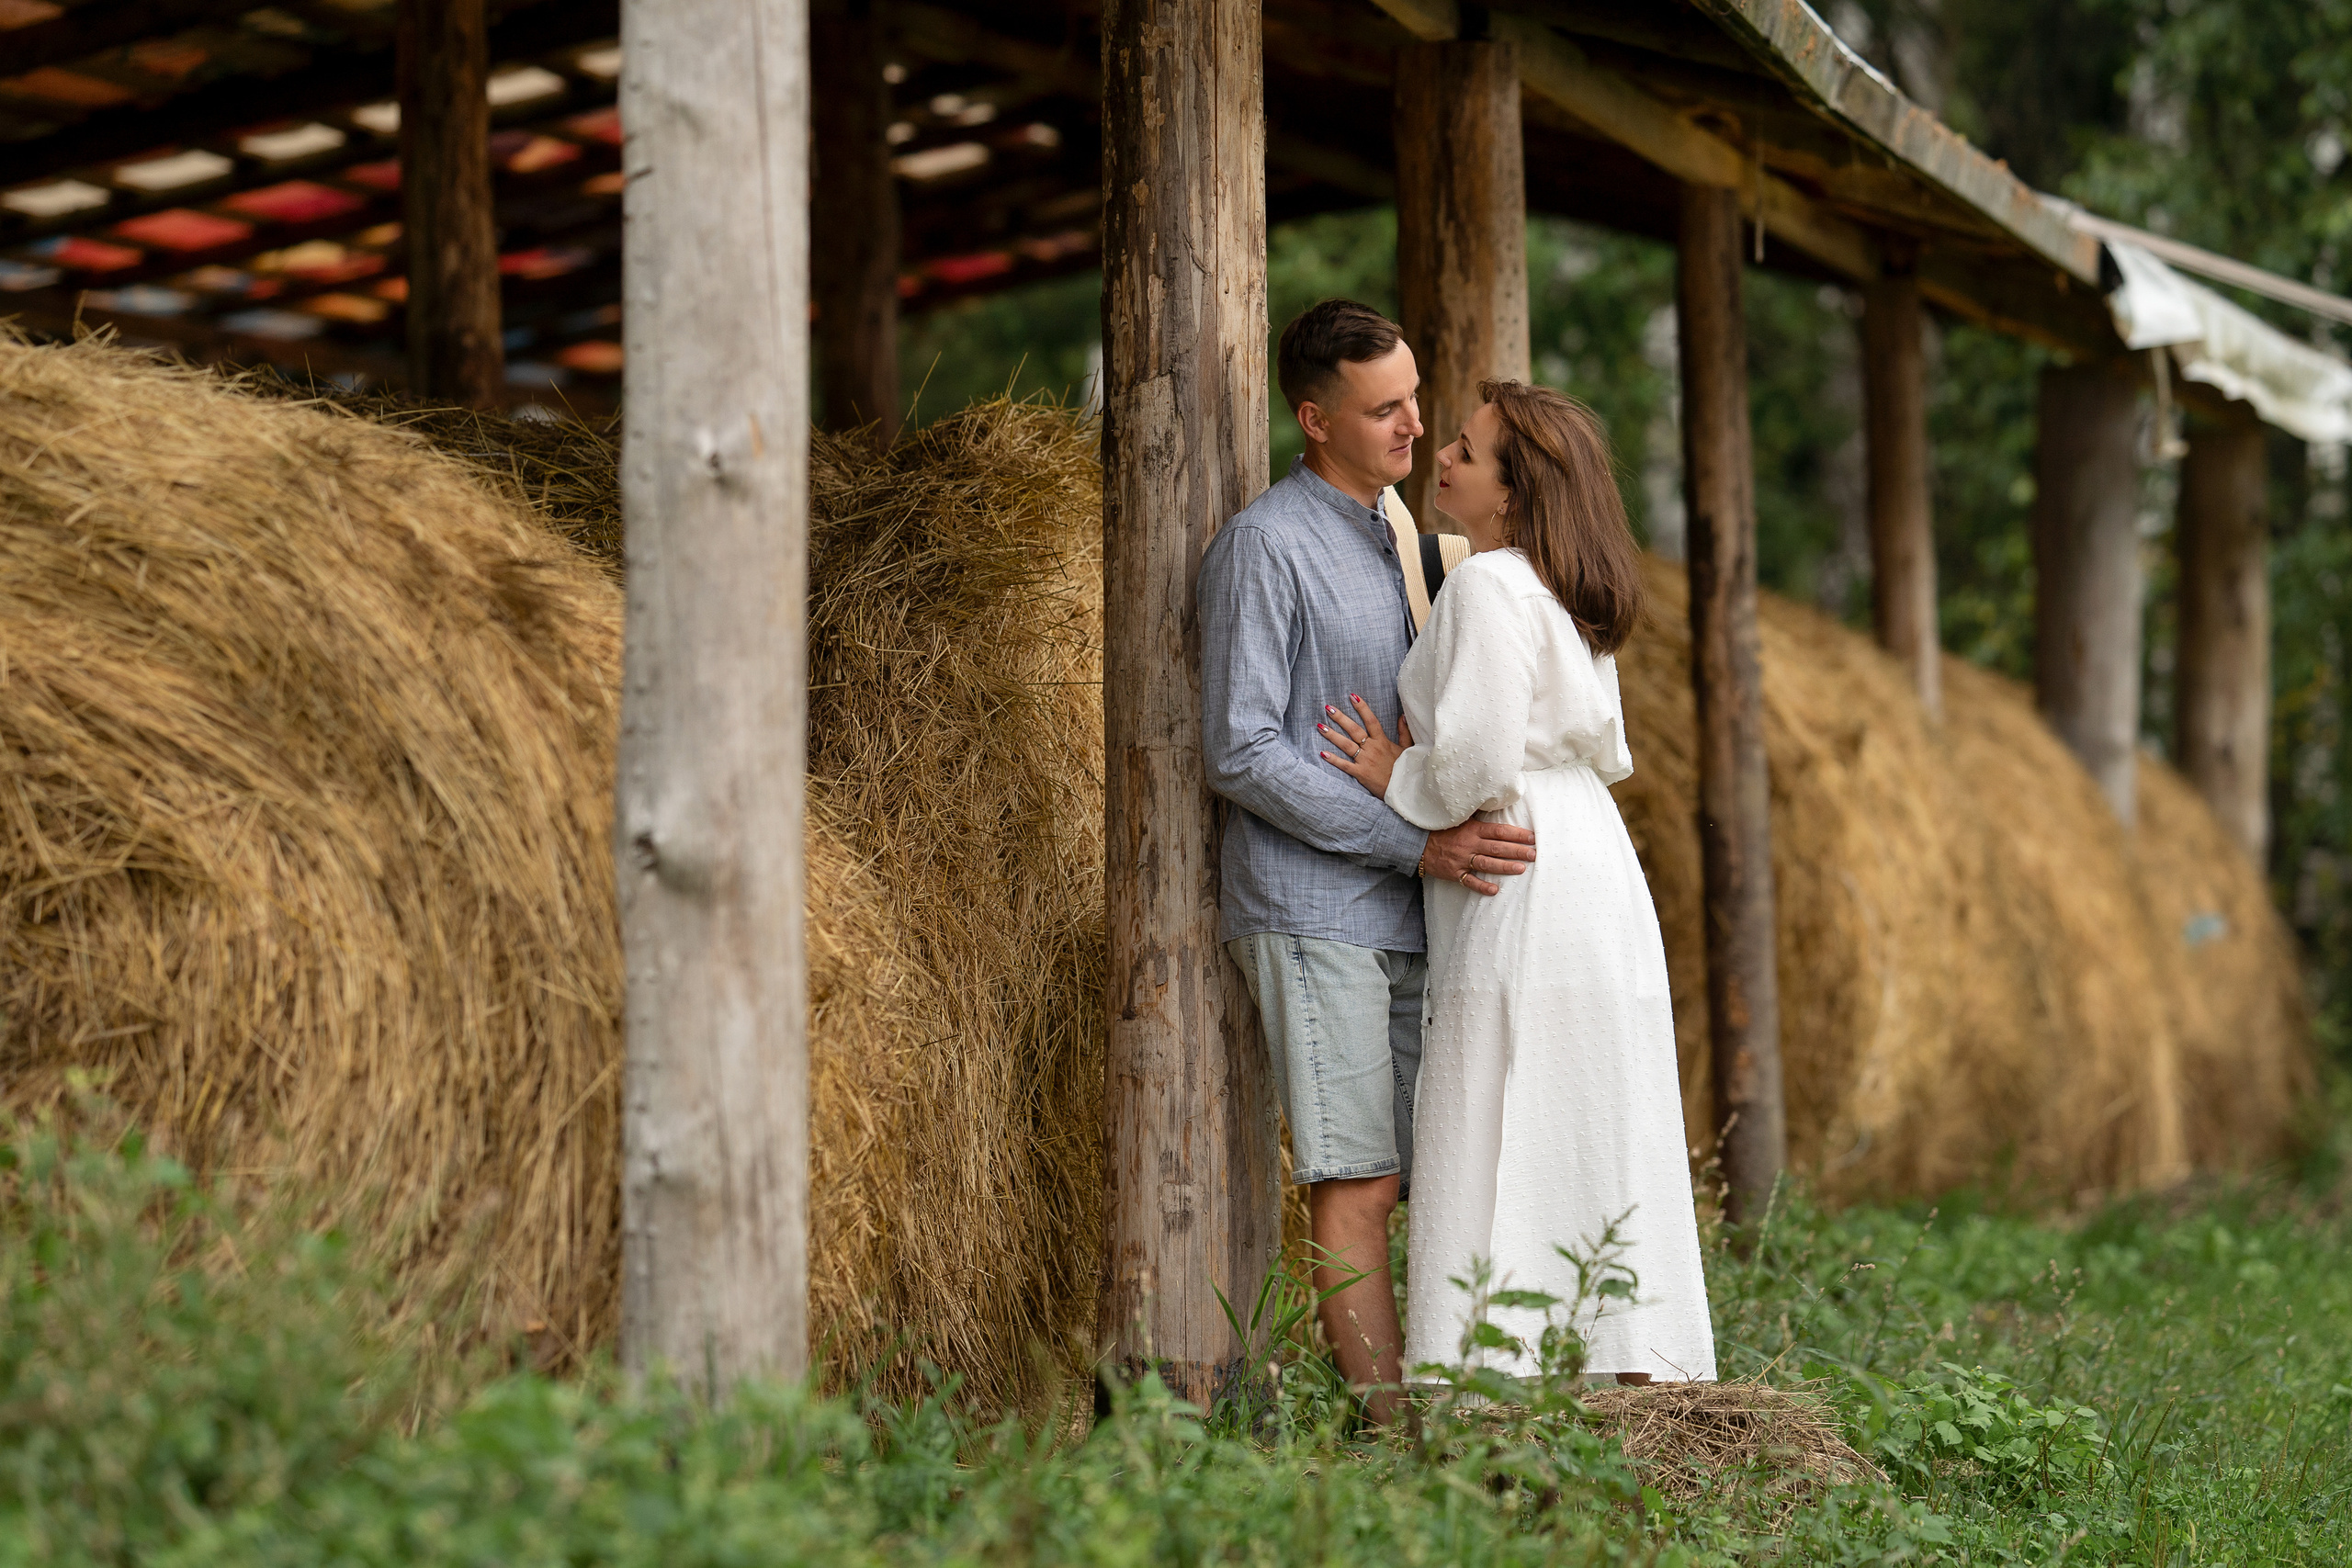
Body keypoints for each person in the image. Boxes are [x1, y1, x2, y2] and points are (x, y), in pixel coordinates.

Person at [1318, 379, 1718, 1387]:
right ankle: (1624, 1363)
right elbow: (1604, 749)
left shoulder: (1489, 584)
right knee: (1592, 1106)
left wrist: (1390, 774)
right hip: (1589, 849)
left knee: (1501, 1092)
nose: (1440, 455)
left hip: (1518, 860)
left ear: (1513, 491)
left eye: (1464, 448)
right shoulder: (1562, 588)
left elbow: (1478, 761)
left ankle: (1491, 1373)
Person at [1198, 301, 1540, 1425]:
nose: (1411, 423)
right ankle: (1393, 1448)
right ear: (1314, 419)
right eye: (1382, 408)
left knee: (1417, 1174)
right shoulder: (1265, 544)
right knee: (1356, 1181)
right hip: (1313, 908)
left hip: (1409, 910)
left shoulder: (1407, 538)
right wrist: (1417, 841)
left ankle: (1436, 1407)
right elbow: (1240, 747)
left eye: (1413, 399)